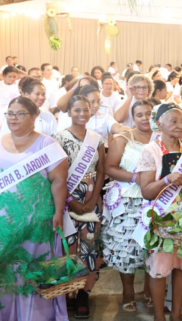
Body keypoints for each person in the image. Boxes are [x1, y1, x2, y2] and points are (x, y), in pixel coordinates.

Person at [0, 97, 69, 320]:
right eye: (10, 113)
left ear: (34, 116)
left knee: (33, 270)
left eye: (20, 113)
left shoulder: (47, 145)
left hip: (37, 225)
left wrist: (58, 212)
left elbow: (58, 182)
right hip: (5, 225)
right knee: (7, 270)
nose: (13, 118)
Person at [136, 103, 182, 321]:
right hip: (161, 216)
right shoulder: (151, 151)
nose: (179, 126)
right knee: (160, 268)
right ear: (158, 124)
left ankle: (177, 315)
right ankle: (159, 316)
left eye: (181, 121)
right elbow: (147, 191)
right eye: (173, 121)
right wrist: (167, 179)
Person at [52, 95, 106, 318]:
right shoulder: (57, 138)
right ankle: (68, 294)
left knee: (90, 248)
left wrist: (94, 199)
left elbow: (102, 170)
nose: (82, 114)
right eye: (77, 110)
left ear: (91, 110)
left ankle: (84, 293)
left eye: (86, 109)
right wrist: (70, 201)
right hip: (67, 196)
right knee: (69, 247)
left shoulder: (97, 138)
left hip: (92, 195)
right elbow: (55, 175)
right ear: (69, 112)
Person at [101, 100, 154, 312]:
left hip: (155, 200)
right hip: (128, 200)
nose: (145, 118)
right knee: (127, 248)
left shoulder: (162, 138)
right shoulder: (124, 138)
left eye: (149, 114)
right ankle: (128, 292)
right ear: (133, 117)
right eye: (140, 114)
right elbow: (109, 167)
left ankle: (150, 290)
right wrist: (136, 177)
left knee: (152, 247)